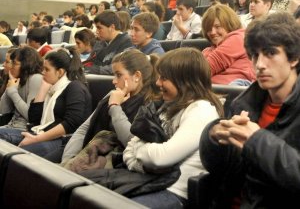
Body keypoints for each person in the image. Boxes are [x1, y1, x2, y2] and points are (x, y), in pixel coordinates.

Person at [200, 12, 300, 208]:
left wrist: (257, 140)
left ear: (294, 58)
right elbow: (219, 170)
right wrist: (213, 137)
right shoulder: (242, 103)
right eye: (254, 55)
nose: (260, 65)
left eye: (270, 53)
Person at [122, 48, 224, 208]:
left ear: (185, 81)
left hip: (174, 193)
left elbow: (160, 158)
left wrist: (140, 152)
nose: (158, 83)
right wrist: (143, 165)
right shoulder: (166, 106)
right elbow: (129, 147)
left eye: (164, 78)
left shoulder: (202, 110)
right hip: (147, 182)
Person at [61, 49, 161, 167]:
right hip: (90, 154)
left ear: (137, 76)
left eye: (119, 75)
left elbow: (132, 142)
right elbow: (84, 129)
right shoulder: (112, 94)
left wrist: (115, 107)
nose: (114, 81)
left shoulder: (151, 104)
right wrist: (68, 160)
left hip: (119, 163)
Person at [4, 47, 92, 158]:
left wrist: (36, 139)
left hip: (64, 140)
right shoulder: (52, 88)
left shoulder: (75, 87)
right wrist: (43, 89)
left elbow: (72, 123)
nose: (43, 72)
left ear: (60, 72)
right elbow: (34, 119)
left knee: (22, 154)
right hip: (42, 133)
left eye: (47, 69)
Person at [202, 4, 256, 85]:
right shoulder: (209, 50)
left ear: (229, 24)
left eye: (217, 26)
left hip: (235, 92)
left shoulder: (239, 38)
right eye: (209, 29)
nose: (212, 32)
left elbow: (204, 70)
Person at [0, 46, 43, 134]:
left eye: (15, 64)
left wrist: (12, 92)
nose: (11, 66)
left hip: (24, 130)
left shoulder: (36, 79)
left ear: (26, 64)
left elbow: (29, 115)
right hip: (10, 126)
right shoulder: (19, 79)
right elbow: (3, 110)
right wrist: (9, 86)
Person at [84, 11, 133, 75]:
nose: (97, 32)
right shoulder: (101, 42)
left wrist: (92, 69)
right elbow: (89, 62)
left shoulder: (127, 42)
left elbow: (117, 68)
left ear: (112, 27)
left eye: (99, 28)